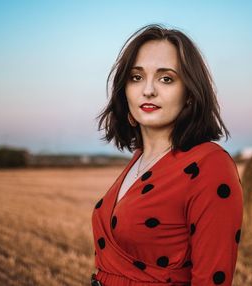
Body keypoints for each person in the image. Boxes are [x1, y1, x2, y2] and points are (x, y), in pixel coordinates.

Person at [91, 23, 243, 286]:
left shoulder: (210, 165)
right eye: (136, 77)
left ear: (190, 95)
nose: (148, 90)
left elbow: (212, 280)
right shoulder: (139, 160)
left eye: (166, 78)